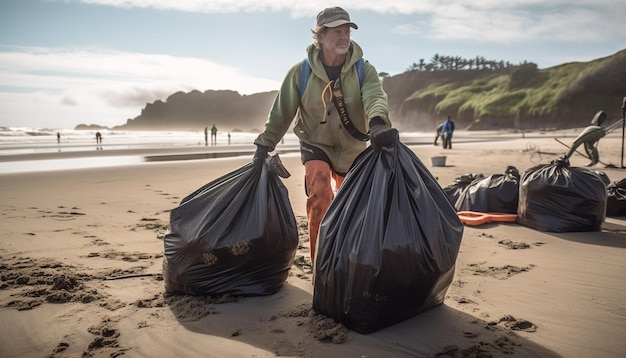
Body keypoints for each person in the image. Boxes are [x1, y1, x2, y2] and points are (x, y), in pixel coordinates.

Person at [252, 6, 397, 265]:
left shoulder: (364, 70)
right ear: (319, 36)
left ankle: (347, 262)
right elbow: (281, 111)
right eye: (336, 31)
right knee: (320, 193)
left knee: (351, 206)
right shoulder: (301, 72)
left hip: (353, 148)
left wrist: (377, 124)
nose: (343, 37)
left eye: (346, 31)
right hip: (315, 142)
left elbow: (375, 97)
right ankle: (321, 264)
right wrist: (264, 145)